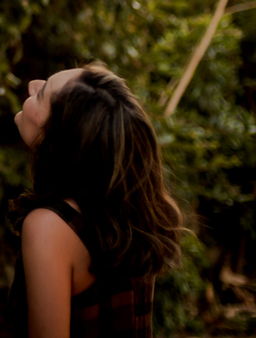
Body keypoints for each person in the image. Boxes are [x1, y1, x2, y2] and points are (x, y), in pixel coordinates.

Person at [9, 63, 184, 338]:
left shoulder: (49, 227)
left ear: (60, 139)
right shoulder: (128, 211)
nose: (32, 84)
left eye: (42, 93)